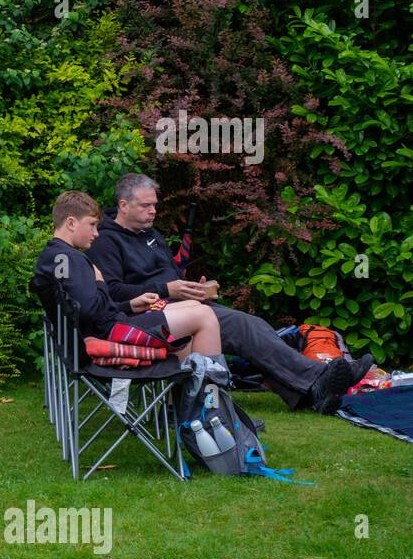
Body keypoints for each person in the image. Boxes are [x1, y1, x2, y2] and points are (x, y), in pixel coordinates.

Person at [85, 173, 370, 414]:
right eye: (146, 206)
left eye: (155, 205)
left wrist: (194, 289)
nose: (153, 212)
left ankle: (310, 392)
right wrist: (165, 289)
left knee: (253, 325)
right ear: (123, 205)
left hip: (181, 305)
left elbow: (170, 277)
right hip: (152, 317)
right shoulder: (106, 241)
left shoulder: (151, 235)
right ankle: (317, 380)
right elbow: (112, 294)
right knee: (244, 326)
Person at [31, 191, 225, 362]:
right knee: (204, 315)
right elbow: (90, 311)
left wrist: (130, 305)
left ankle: (185, 398)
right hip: (109, 334)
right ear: (71, 223)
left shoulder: (56, 256)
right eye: (91, 225)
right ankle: (210, 397)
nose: (96, 233)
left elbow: (82, 308)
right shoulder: (69, 258)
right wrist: (99, 282)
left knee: (192, 305)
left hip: (103, 328)